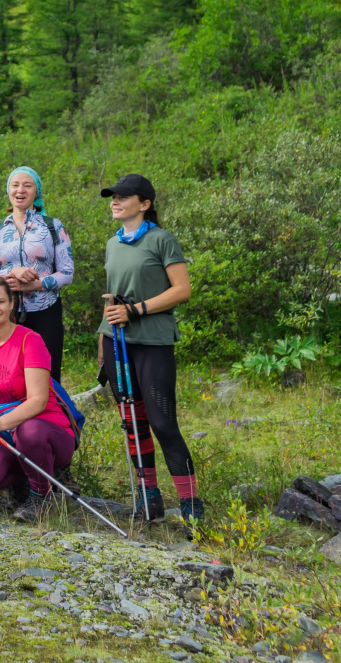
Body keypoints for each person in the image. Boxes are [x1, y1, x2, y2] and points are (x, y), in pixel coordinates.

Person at [97, 173, 200, 527]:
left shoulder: (162, 240)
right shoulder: (112, 244)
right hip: (116, 341)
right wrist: (103, 341)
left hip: (152, 340)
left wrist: (135, 310)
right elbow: (112, 297)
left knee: (162, 422)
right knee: (132, 422)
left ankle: (190, 508)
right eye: (113, 196)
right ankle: (149, 501)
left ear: (144, 204)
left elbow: (181, 290)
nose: (114, 201)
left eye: (123, 197)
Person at [0, 276, 78, 522]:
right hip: (8, 434)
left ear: (11, 302)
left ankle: (42, 497)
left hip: (47, 430)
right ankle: (26, 480)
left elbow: (38, 400)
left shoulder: (29, 340)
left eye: (0, 301)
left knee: (29, 432)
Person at [0, 166, 75, 382]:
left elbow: (67, 273)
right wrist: (12, 271)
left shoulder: (53, 226)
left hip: (46, 311)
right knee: (11, 375)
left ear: (36, 192)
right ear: (8, 190)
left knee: (48, 376)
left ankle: (52, 415)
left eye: (27, 185)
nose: (20, 190)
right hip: (5, 312)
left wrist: (36, 284)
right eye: (15, 185)